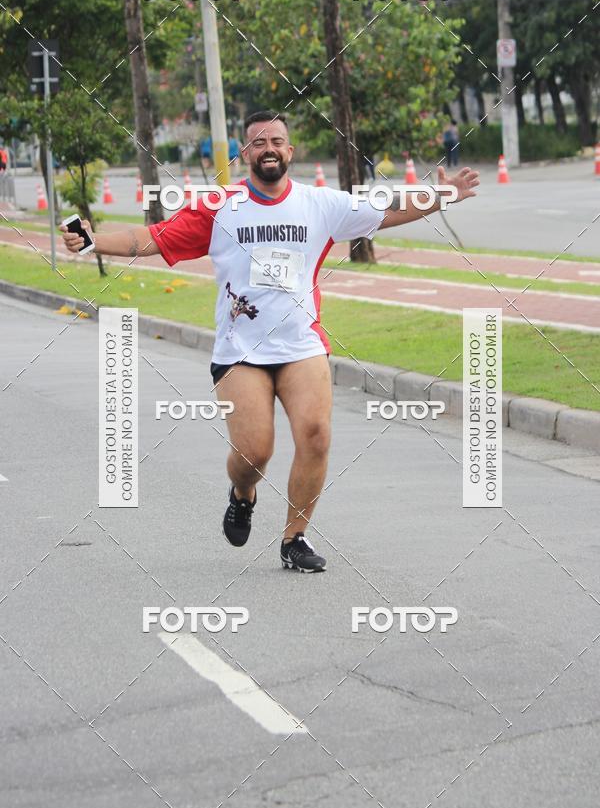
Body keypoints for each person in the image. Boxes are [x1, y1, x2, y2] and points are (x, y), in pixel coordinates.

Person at [61, 110, 479, 572]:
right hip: (241, 353)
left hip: (301, 345)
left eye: (276, 141)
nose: (269, 149)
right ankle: (243, 494)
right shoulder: (220, 206)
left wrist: (441, 195)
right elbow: (154, 238)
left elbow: (388, 209)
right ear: (245, 154)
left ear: (290, 151)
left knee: (316, 436)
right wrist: (92, 240)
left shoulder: (319, 204)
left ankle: (294, 538)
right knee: (254, 454)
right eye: (258, 143)